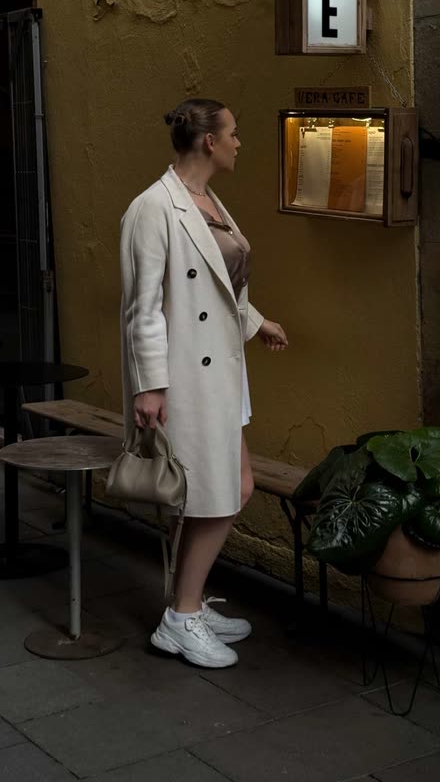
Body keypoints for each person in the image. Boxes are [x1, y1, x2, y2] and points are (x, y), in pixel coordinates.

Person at [120, 98, 288, 668]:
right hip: (185, 376)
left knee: (230, 488)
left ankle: (184, 604)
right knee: (216, 493)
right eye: (234, 133)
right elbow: (142, 308)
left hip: (222, 369)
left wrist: (258, 322)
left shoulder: (209, 201)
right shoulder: (152, 208)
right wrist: (149, 385)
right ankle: (181, 617)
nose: (240, 143)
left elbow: (221, 286)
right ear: (209, 142)